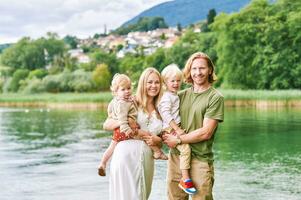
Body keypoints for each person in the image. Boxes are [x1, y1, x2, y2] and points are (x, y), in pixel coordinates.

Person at [163, 52, 224, 200]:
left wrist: (178, 140)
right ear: (189, 71)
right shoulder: (180, 95)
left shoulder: (215, 97)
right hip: (177, 158)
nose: (198, 73)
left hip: (200, 160)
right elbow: (160, 111)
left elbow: (206, 132)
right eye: (194, 69)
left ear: (210, 70)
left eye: (202, 68)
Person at [103, 67, 164, 200]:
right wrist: (124, 123)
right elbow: (106, 125)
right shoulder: (131, 101)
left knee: (142, 195)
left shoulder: (162, 107)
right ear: (143, 83)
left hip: (147, 158)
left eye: (157, 82)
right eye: (149, 82)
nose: (153, 86)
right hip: (125, 156)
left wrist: (157, 141)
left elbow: (162, 139)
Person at [158, 64, 196, 195]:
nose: (176, 83)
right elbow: (165, 114)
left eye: (178, 81)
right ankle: (185, 179)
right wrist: (177, 130)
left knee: (184, 149)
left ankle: (184, 177)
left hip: (173, 127)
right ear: (165, 82)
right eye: (172, 81)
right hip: (170, 128)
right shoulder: (166, 97)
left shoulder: (174, 95)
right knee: (185, 149)